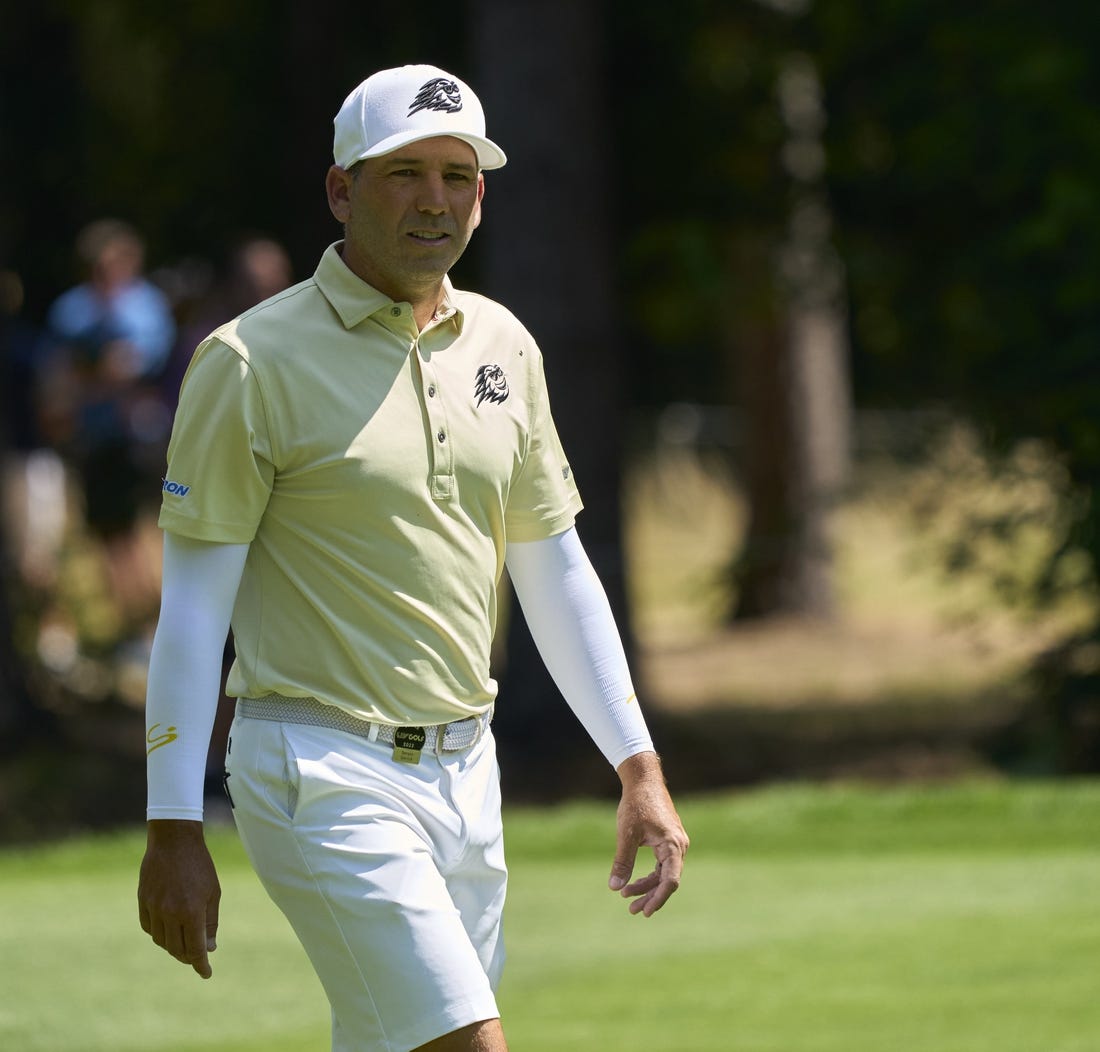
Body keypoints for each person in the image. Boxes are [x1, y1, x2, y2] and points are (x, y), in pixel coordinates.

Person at [137, 64, 689, 1052]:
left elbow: (553, 566)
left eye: (456, 174)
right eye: (402, 174)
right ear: (342, 190)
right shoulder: (249, 361)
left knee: (390, 1040)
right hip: (318, 765)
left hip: (465, 768)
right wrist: (173, 822)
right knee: (464, 1042)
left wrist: (634, 761)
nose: (433, 199)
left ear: (481, 194)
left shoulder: (503, 345)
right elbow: (191, 610)